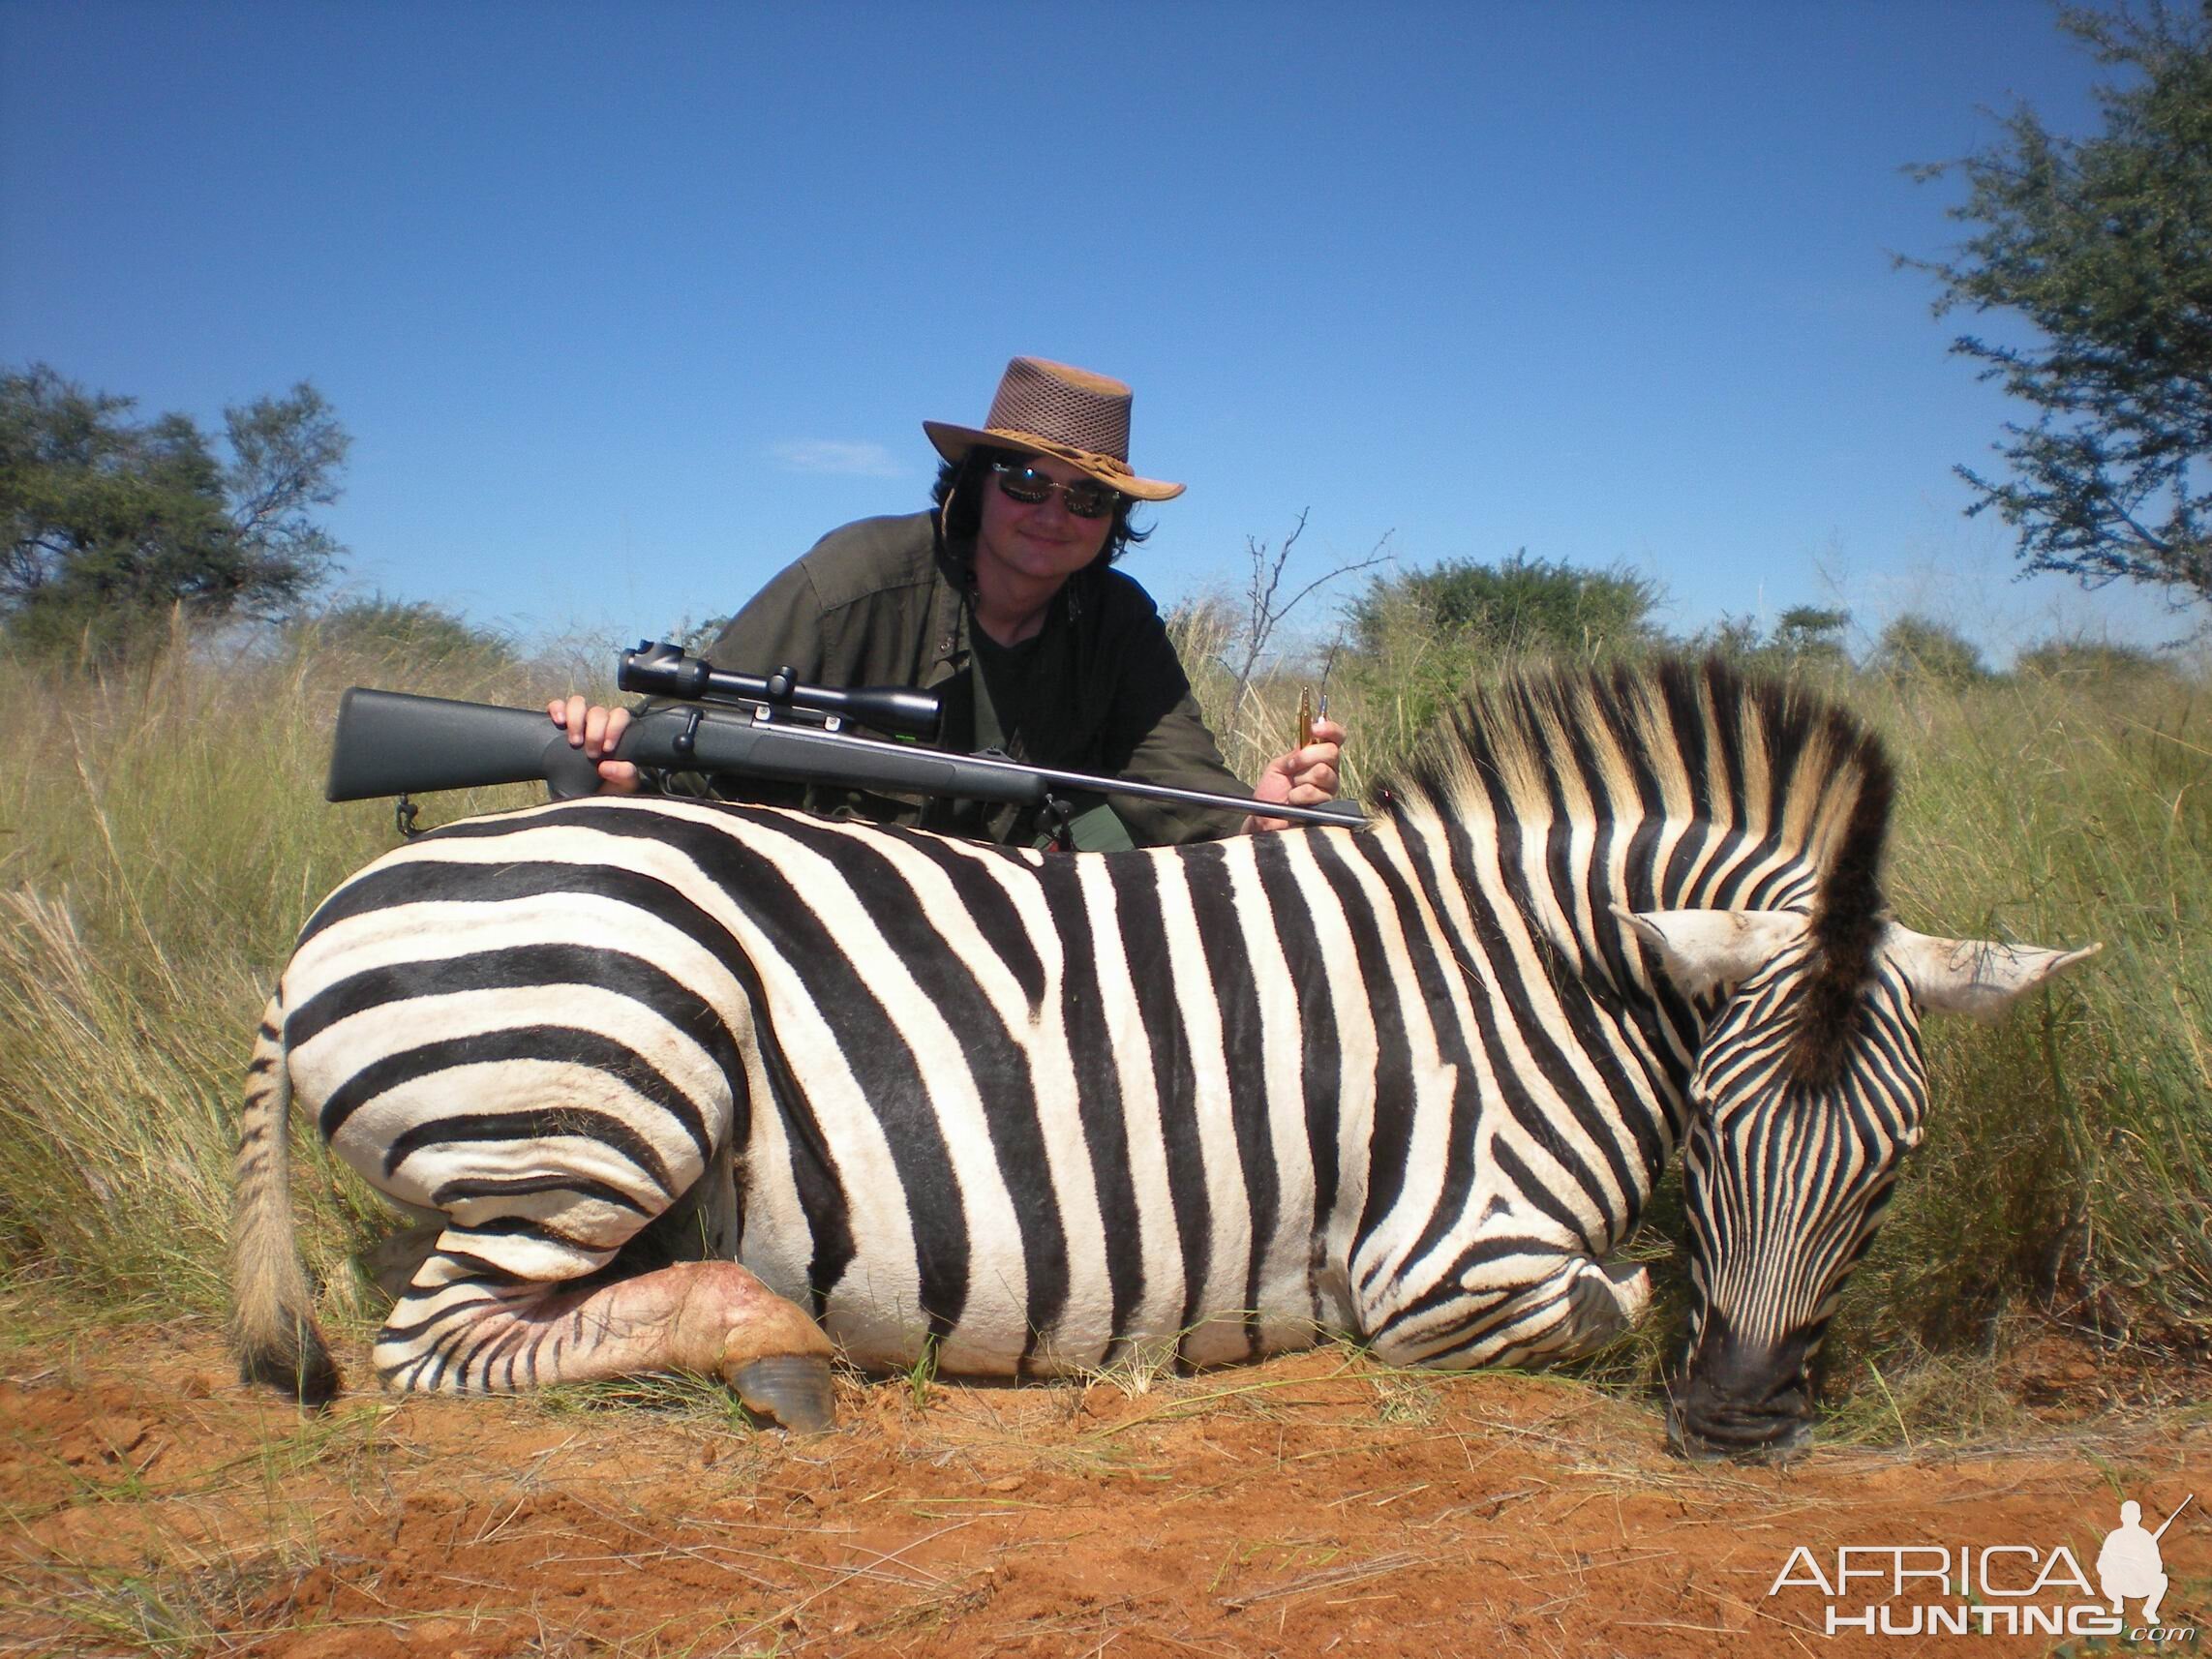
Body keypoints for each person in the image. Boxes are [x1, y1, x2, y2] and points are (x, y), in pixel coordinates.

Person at [552, 355, 1344, 848]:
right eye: (1026, 483)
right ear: (972, 485)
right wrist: (624, 765)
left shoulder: (1119, 618)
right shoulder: (853, 578)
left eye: (1086, 500)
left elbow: (1176, 778)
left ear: (1112, 524)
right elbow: (702, 747)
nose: (1051, 514)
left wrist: (1255, 815)